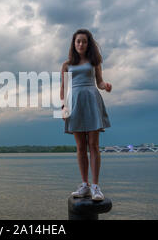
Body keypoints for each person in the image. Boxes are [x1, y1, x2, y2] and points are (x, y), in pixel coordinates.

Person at [60, 29, 112, 201]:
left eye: (84, 41)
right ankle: (85, 185)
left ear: (88, 44)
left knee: (93, 145)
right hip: (74, 104)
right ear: (73, 44)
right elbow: (63, 89)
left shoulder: (94, 61)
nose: (81, 44)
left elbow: (99, 82)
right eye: (78, 41)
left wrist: (106, 86)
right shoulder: (67, 65)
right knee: (81, 147)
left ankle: (96, 186)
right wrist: (63, 107)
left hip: (91, 101)